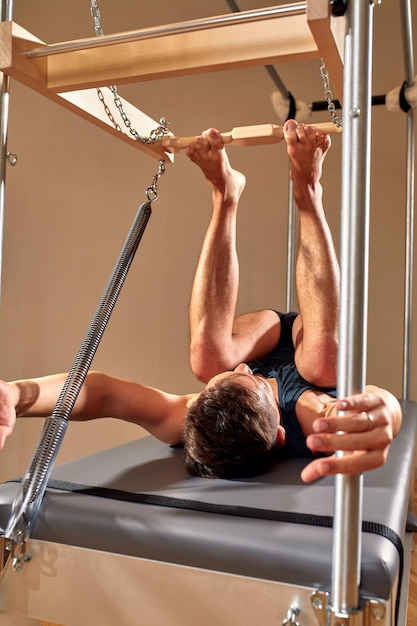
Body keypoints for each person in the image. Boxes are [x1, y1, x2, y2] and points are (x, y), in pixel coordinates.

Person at [0, 121, 401, 483]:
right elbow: (375, 408)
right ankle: (307, 189)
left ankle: (225, 193)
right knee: (322, 362)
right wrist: (385, 413)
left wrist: (16, 396)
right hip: (304, 338)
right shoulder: (311, 422)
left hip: (263, 331)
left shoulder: (192, 413)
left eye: (221, 382)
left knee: (206, 360)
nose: (243, 365)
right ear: (280, 435)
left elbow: (102, 394)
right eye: (255, 379)